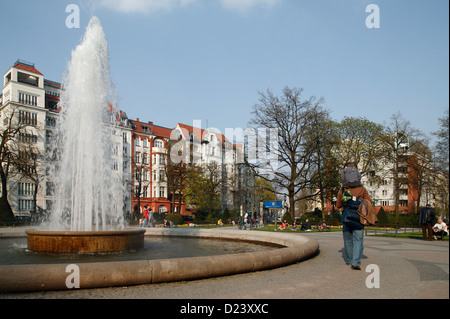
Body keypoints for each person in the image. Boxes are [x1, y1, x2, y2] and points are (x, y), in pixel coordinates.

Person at [336, 162, 372, 270]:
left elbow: (338, 205)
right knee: (358, 240)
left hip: (347, 217)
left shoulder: (343, 190)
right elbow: (369, 202)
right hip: (359, 218)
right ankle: (355, 262)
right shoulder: (362, 189)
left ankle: (349, 260)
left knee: (347, 240)